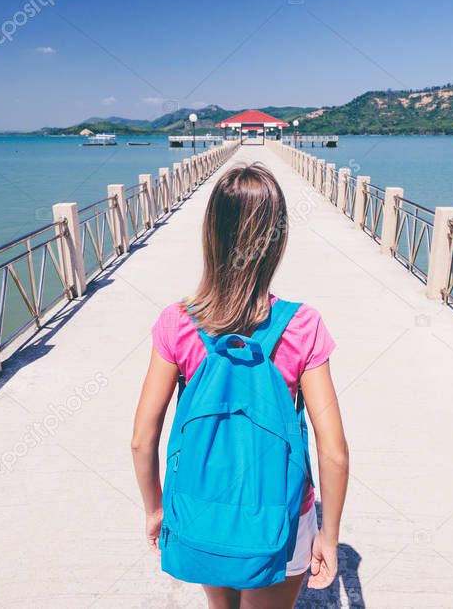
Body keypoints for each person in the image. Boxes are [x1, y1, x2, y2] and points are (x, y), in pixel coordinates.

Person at [131, 163, 350, 608]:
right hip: (281, 516)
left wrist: (156, 510)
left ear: (210, 235)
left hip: (202, 508)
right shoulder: (301, 326)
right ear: (277, 242)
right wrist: (329, 537)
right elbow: (334, 451)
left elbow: (141, 439)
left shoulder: (177, 324)